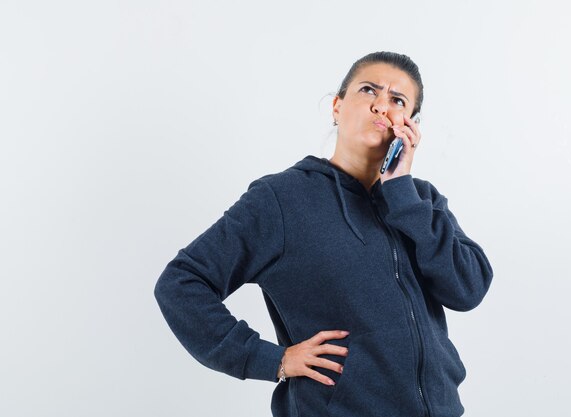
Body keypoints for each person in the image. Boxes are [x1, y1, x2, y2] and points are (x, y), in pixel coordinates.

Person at [154, 51, 494, 417]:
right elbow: (181, 283)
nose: (382, 106)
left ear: (410, 123)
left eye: (398, 100)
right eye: (368, 90)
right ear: (337, 106)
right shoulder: (281, 199)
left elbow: (467, 289)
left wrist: (403, 194)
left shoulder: (420, 200)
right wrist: (271, 359)